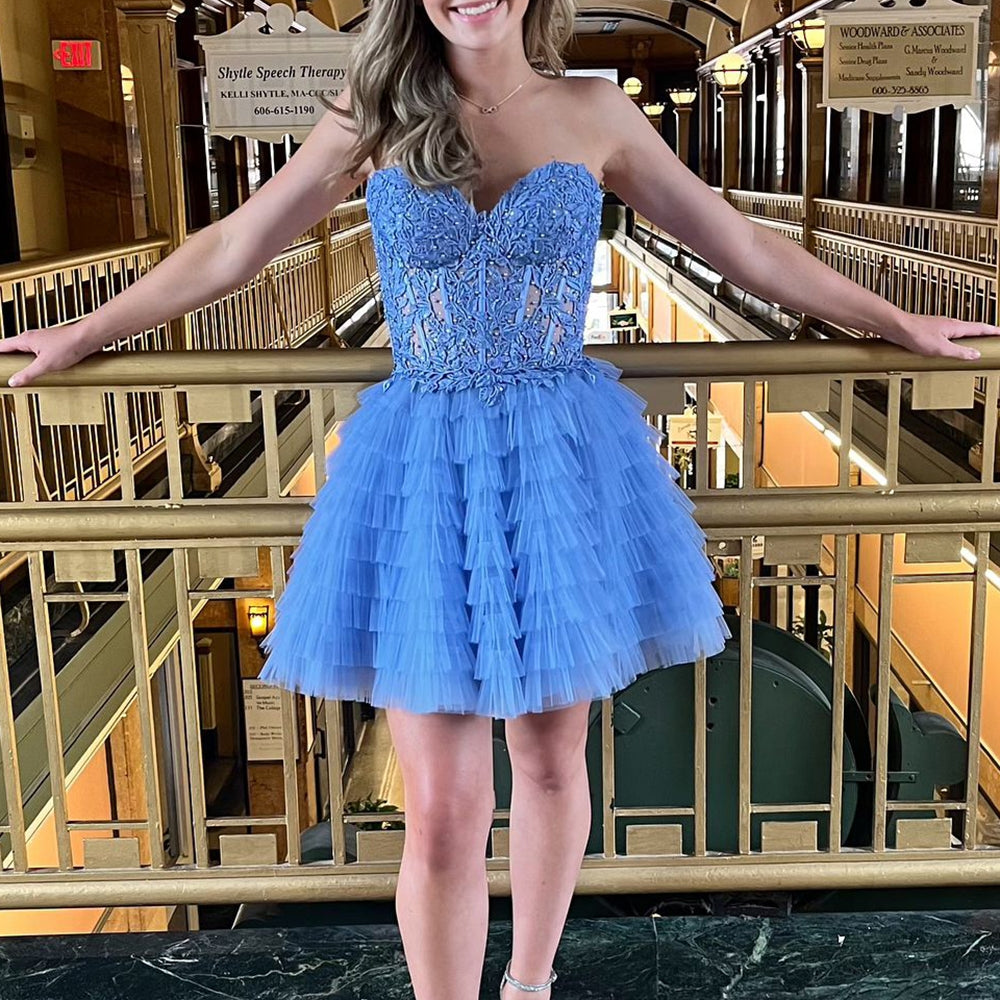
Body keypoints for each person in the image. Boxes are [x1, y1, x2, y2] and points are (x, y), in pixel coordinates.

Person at [2, 0, 998, 996]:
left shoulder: (596, 110)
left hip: (559, 468)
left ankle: (528, 985)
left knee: (553, 762)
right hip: (423, 470)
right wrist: (83, 334)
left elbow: (742, 246)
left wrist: (894, 321)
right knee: (441, 805)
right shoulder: (373, 109)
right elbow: (235, 245)